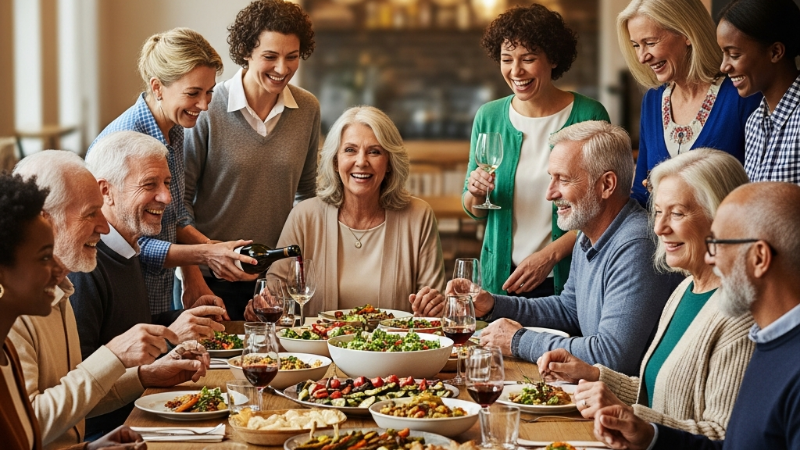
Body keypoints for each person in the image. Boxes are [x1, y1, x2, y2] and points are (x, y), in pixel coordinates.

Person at [538, 149, 753, 439]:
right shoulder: (685, 289)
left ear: (721, 218)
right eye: (659, 212)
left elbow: (722, 437)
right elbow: (657, 395)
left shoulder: (739, 316)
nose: (660, 228)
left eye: (677, 213)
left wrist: (634, 417)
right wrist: (595, 375)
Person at [11, 151, 210, 449]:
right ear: (45, 219)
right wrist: (114, 356)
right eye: (91, 213)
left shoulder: (61, 288)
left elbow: (74, 398)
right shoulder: (12, 307)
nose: (105, 228)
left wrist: (144, 376)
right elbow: (25, 427)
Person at [460, 121, 683, 375]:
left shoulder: (636, 244)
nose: (550, 193)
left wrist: (518, 340)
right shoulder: (588, 234)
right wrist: (492, 305)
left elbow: (610, 356)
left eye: (563, 179)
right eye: (550, 178)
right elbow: (568, 310)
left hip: (628, 408)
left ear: (607, 185)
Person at [592, 182, 800, 450]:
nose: (711, 259)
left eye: (719, 244)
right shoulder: (770, 341)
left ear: (759, 258)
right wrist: (651, 436)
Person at [72, 131, 231, 437]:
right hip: (111, 434)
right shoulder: (85, 267)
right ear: (106, 191)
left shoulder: (128, 248)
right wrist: (171, 336)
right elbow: (82, 382)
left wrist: (181, 319)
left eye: (168, 184)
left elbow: (128, 327)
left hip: (143, 413)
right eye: (149, 184)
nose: (167, 198)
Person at [90, 27, 255, 317]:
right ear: (157, 88)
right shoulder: (122, 140)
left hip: (158, 291)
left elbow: (173, 214)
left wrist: (205, 261)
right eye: (193, 93)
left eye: (208, 93)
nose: (204, 105)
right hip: (121, 294)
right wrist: (206, 254)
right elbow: (126, 239)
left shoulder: (174, 130)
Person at [183, 0, 320, 320]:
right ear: (246, 51)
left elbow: (307, 196)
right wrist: (202, 263)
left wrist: (289, 271)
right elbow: (179, 204)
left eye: (292, 57)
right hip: (211, 276)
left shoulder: (308, 109)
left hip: (274, 280)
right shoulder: (208, 107)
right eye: (270, 57)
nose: (282, 69)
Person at [244, 106, 445, 320]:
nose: (361, 162)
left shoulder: (418, 216)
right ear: (335, 160)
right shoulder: (304, 216)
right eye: (350, 150)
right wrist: (261, 306)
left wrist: (433, 305)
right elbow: (275, 294)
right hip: (320, 352)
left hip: (394, 349)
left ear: (389, 163)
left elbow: (433, 302)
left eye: (374, 151)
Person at [464, 4, 609, 298]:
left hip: (567, 281)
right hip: (501, 283)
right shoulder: (489, 116)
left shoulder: (588, 115)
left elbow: (603, 212)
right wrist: (477, 193)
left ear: (553, 58)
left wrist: (550, 256)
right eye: (507, 59)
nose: (516, 71)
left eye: (528, 59)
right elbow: (474, 210)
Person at [0, 172, 146, 449]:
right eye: (45, 257)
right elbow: (38, 420)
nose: (59, 272)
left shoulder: (7, 350)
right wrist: (113, 356)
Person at [618, 0, 761, 206]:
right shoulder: (653, 100)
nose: (642, 57)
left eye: (650, 42)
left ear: (686, 33)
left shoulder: (741, 95)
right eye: (636, 46)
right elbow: (642, 194)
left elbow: (756, 188)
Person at [716, 0, 800, 183]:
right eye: (723, 53)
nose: (724, 66)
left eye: (734, 55)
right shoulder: (754, 123)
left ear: (776, 52)